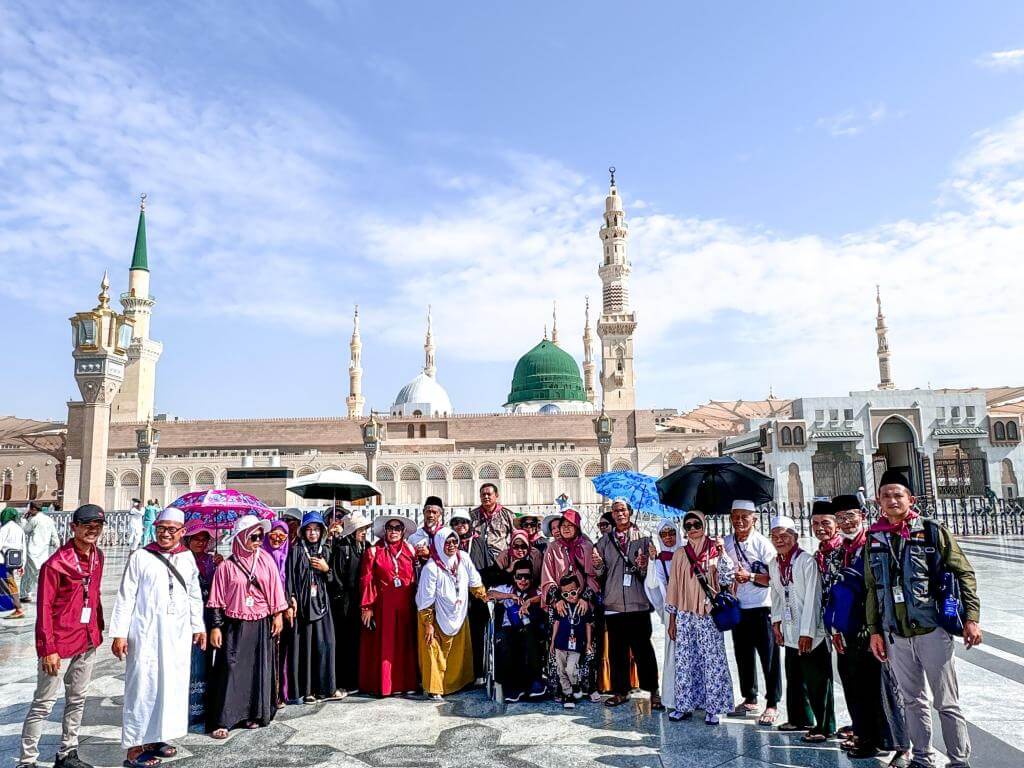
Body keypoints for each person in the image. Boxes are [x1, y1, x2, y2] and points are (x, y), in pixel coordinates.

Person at [866, 469, 981, 768]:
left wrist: (971, 617)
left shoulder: (931, 531)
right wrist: (875, 631)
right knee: (912, 700)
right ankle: (922, 757)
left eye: (897, 495)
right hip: (897, 634)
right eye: (886, 495)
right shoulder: (875, 537)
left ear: (910, 499)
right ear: (878, 501)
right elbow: (871, 588)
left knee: (946, 702)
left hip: (932, 630)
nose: (892, 500)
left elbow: (963, 572)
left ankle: (958, 760)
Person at [110, 507, 206, 768]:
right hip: (146, 634)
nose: (165, 534)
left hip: (177, 634)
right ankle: (134, 746)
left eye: (171, 530)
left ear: (182, 532)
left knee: (170, 687)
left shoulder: (186, 558)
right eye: (161, 528)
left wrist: (199, 627)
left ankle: (159, 737)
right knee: (143, 687)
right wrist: (119, 633)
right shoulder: (141, 556)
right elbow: (125, 596)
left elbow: (194, 595)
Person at [17, 504, 106, 768]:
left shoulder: (98, 556)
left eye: (98, 526)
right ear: (74, 527)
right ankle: (27, 760)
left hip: (87, 638)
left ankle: (68, 753)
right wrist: (48, 648)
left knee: (77, 698)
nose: (92, 530)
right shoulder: (56, 564)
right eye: (87, 525)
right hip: (60, 641)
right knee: (44, 703)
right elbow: (44, 609)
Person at [827, 494, 909, 765]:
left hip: (874, 627)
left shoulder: (875, 542)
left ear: (862, 516)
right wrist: (834, 628)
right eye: (840, 518)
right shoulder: (839, 550)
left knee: (882, 686)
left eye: (851, 516)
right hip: (848, 628)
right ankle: (864, 735)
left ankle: (897, 743)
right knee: (853, 682)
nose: (846, 522)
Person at [206, 515, 288, 738]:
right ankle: (225, 718)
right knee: (231, 669)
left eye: (261, 537)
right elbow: (216, 598)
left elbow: (275, 589)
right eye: (254, 537)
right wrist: (215, 627)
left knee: (256, 669)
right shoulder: (226, 566)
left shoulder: (266, 560)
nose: (259, 541)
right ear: (241, 538)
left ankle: (253, 714)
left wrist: (278, 615)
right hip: (235, 624)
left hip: (261, 622)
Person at [665, 510, 736, 724]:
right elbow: (674, 587)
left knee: (712, 659)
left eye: (697, 524)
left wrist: (723, 553)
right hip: (686, 614)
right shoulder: (680, 553)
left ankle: (713, 707)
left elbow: (726, 579)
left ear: (704, 525)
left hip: (708, 613)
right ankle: (685, 705)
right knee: (686, 659)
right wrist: (672, 621)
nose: (693, 528)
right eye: (688, 525)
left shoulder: (714, 549)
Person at [769, 514, 835, 743]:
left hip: (810, 631)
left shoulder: (806, 561)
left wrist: (806, 632)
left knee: (817, 680)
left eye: (784, 536)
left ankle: (825, 726)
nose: (780, 540)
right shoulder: (774, 563)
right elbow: (776, 594)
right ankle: (800, 718)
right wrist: (776, 622)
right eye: (775, 536)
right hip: (789, 629)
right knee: (795, 677)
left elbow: (813, 597)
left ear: (795, 537)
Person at [592, 499, 661, 710]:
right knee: (617, 652)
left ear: (630, 512)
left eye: (623, 510)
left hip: (637, 603)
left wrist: (643, 565)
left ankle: (653, 691)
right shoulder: (604, 541)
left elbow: (650, 573)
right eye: (615, 511)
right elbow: (601, 574)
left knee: (643, 651)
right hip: (613, 605)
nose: (619, 513)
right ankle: (620, 691)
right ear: (611, 515)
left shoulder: (644, 539)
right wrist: (598, 566)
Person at [722, 499, 780, 725]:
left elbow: (775, 577)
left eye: (744, 517)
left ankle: (773, 703)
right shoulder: (727, 542)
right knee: (743, 655)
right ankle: (749, 698)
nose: (739, 521)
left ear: (754, 519)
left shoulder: (763, 544)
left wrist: (751, 576)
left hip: (762, 608)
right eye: (735, 517)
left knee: (769, 658)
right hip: (739, 608)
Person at [415, 526, 487, 700]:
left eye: (455, 541)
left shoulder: (464, 559)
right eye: (447, 542)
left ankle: (459, 683)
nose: (452, 545)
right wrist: (428, 624)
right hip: (434, 617)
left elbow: (475, 582)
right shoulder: (431, 568)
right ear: (439, 544)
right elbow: (426, 599)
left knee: (458, 651)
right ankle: (435, 688)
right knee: (434, 651)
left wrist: (485, 597)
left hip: (458, 613)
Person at [540, 508, 600, 700]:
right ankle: (561, 688)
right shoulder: (553, 548)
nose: (566, 529)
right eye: (563, 525)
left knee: (587, 646)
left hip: (582, 604)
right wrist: (557, 599)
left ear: (577, 527)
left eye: (570, 525)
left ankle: (587, 686)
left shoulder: (587, 546)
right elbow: (547, 578)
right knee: (558, 646)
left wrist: (585, 597)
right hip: (560, 606)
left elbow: (594, 577)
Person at [359, 514, 419, 697]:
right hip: (383, 605)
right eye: (390, 528)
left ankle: (406, 683)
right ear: (385, 531)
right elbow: (366, 580)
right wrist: (367, 606)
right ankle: (386, 685)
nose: (394, 532)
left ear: (403, 532)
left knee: (405, 645)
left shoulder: (410, 550)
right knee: (386, 646)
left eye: (398, 528)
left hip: (406, 604)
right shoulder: (374, 551)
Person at [285, 511, 339, 703]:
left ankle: (326, 689)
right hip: (303, 608)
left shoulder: (325, 551)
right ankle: (307, 691)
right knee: (306, 648)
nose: (313, 533)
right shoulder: (297, 550)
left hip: (322, 606)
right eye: (309, 529)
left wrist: (327, 570)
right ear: (303, 532)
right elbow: (290, 578)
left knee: (326, 645)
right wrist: (291, 598)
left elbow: (336, 583)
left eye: (316, 529)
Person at [487, 558, 548, 702]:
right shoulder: (508, 589)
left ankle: (536, 682)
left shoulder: (536, 590)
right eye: (519, 576)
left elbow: (545, 597)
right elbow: (488, 594)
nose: (523, 580)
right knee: (506, 641)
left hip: (530, 628)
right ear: (514, 577)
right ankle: (512, 687)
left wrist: (529, 601)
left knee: (530, 635)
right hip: (510, 629)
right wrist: (510, 597)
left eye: (526, 577)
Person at [183, 521, 221, 731]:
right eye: (196, 538)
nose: (200, 542)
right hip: (185, 618)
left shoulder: (211, 561)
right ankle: (186, 710)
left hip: (206, 617)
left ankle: (200, 708)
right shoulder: (180, 559)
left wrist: (220, 567)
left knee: (203, 662)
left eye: (204, 539)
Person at [329, 511, 371, 696]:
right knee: (344, 643)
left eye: (364, 528)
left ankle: (357, 680)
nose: (363, 532)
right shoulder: (342, 548)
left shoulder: (366, 546)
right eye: (359, 529)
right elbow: (336, 577)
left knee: (357, 642)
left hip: (361, 601)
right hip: (344, 603)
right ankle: (343, 682)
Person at [450, 509, 492, 684]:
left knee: (476, 634)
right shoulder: (450, 543)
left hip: (475, 598)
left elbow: (487, 566)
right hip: (455, 597)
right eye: (456, 522)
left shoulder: (479, 541)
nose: (461, 526)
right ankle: (458, 674)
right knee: (456, 632)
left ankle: (478, 673)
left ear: (470, 524)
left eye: (464, 522)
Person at [644, 519, 681, 711]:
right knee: (673, 655)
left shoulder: (686, 553)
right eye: (664, 534)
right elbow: (651, 585)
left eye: (671, 533)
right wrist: (651, 560)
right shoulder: (660, 559)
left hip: (692, 611)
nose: (668, 537)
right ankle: (674, 697)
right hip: (671, 614)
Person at [549, 574, 594, 710]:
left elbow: (588, 625)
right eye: (566, 594)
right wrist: (552, 642)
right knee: (561, 670)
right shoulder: (561, 606)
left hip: (576, 645)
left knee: (570, 669)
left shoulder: (583, 606)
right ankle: (568, 694)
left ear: (579, 590)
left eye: (573, 593)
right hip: (560, 643)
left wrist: (588, 643)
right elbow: (556, 623)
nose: (570, 596)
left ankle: (575, 685)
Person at [262, 520, 291, 708]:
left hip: (285, 611)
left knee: (282, 654)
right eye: (273, 534)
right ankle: (267, 694)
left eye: (282, 536)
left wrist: (291, 599)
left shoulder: (290, 555)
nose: (277, 539)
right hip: (264, 610)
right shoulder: (261, 555)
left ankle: (280, 692)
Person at [21, 502, 60, 603]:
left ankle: (48, 594)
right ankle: (25, 594)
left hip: (32, 550)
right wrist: (58, 548)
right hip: (43, 551)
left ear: (33, 509)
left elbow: (25, 530)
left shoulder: (34, 519)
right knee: (30, 573)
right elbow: (54, 536)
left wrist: (24, 520)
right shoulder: (49, 520)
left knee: (35, 574)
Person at [471, 483, 517, 566]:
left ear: (496, 495)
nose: (486, 497)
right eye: (483, 494)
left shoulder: (507, 514)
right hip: (479, 560)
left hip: (500, 559)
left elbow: (516, 535)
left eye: (489, 494)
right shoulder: (472, 515)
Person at [1, 506, 27, 618]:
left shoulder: (4, 528)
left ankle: (18, 608)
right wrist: (23, 564)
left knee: (9, 583)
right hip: (13, 561)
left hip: (2, 561)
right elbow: (23, 548)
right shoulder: (19, 529)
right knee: (8, 583)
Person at [409, 496, 445, 562]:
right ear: (423, 512)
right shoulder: (414, 536)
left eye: (434, 512)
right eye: (428, 511)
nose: (431, 515)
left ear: (440, 514)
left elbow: (450, 559)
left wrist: (429, 554)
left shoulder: (446, 535)